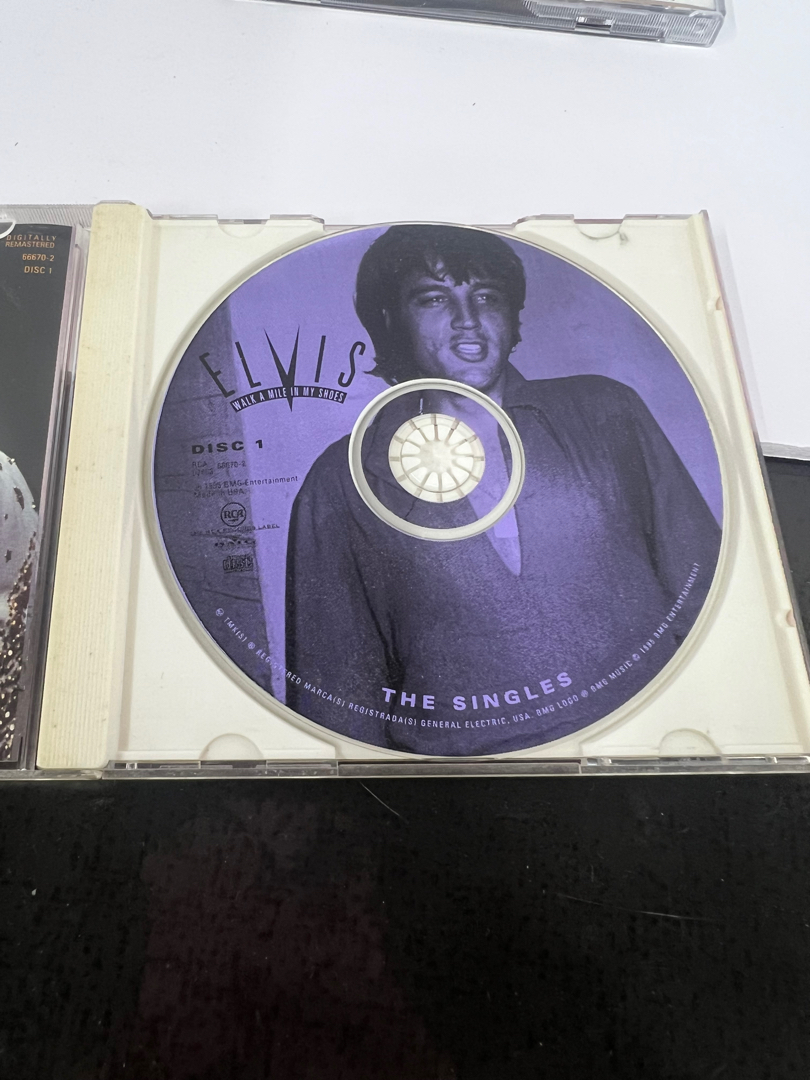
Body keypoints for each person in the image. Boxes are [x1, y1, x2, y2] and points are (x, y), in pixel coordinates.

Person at [285, 225, 722, 755]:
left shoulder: (606, 411)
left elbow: (708, 592)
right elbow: (334, 687)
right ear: (392, 319)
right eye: (433, 299)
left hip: (646, 741)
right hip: (468, 776)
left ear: (514, 318)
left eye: (487, 296)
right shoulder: (341, 477)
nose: (467, 318)